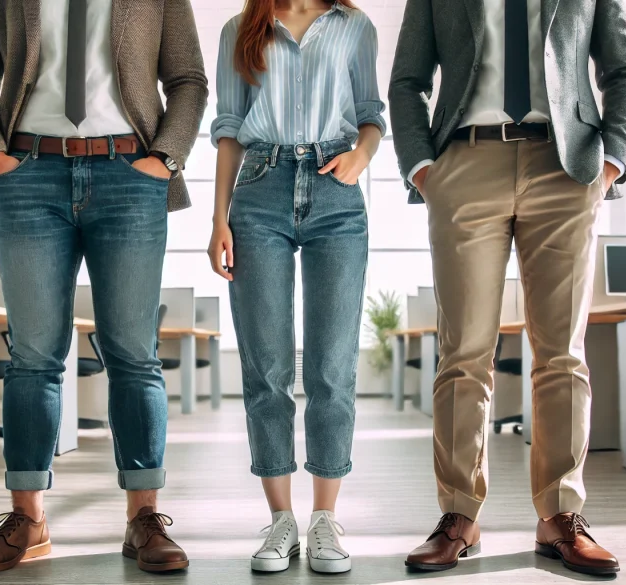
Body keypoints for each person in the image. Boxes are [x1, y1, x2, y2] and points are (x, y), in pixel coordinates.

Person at [0, 0, 207, 574]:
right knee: (33, 355)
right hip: (28, 172)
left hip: (130, 173)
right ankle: (28, 520)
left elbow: (187, 79)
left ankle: (144, 517)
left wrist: (166, 157)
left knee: (134, 354)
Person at [389, 0, 626, 577]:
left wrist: (613, 163)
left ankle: (559, 518)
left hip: (568, 166)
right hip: (464, 163)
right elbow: (407, 80)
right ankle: (459, 516)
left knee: (561, 353)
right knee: (464, 354)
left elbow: (623, 69)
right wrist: (424, 170)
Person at [208, 0, 384, 574]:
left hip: (337, 191)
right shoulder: (242, 29)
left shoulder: (354, 27)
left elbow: (370, 111)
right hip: (258, 192)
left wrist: (361, 154)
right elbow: (230, 129)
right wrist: (218, 220)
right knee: (267, 368)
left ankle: (325, 519)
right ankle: (281, 519)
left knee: (332, 367)